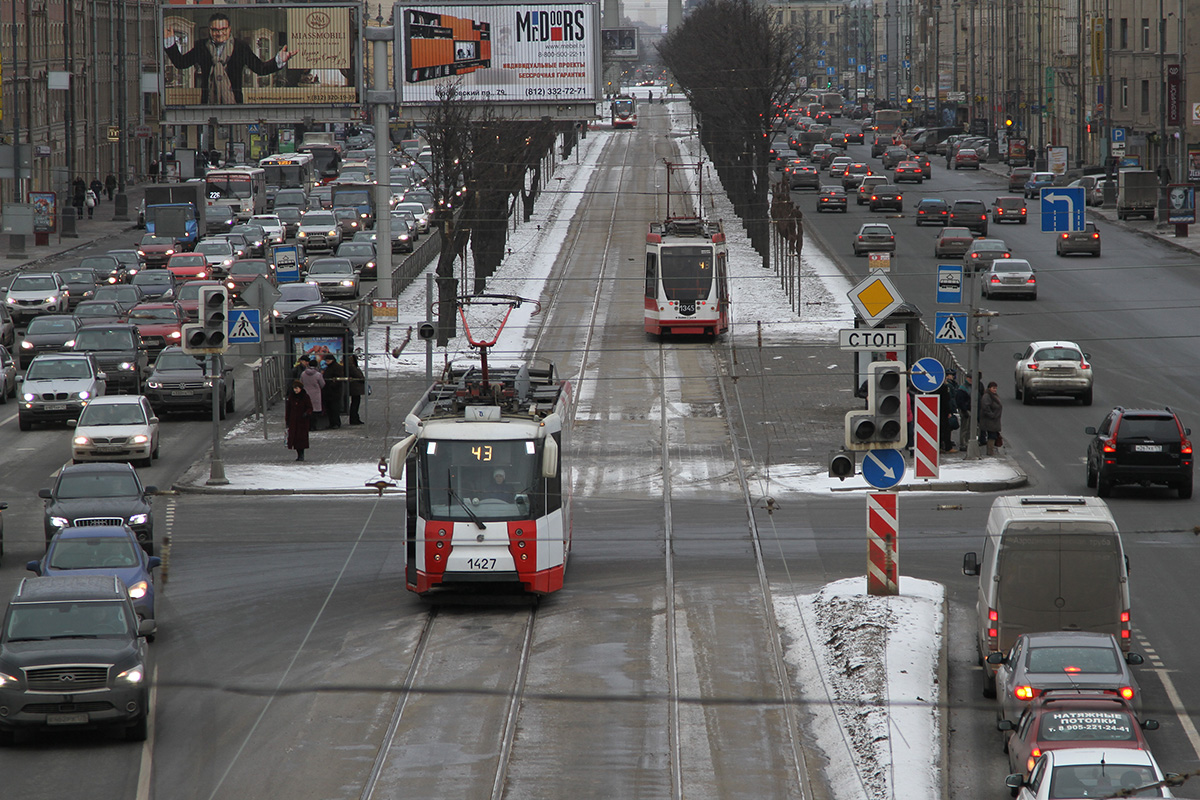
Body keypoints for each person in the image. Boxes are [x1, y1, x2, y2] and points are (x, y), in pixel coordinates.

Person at [164, 13, 298, 105]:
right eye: (215, 30)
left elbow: (260, 69)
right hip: (208, 104)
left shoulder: (240, 47)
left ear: (229, 29)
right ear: (210, 30)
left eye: (223, 29)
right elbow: (181, 63)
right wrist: (170, 43)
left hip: (234, 103)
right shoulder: (201, 46)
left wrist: (279, 60)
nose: (220, 33)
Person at [284, 380, 313, 461]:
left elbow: (310, 407)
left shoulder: (305, 396)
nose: (295, 390)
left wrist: (307, 413)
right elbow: (288, 409)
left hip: (302, 421)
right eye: (294, 388)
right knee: (295, 439)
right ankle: (298, 454)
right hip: (293, 421)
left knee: (301, 439)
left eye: (297, 388)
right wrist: (287, 420)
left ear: (300, 388)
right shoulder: (291, 397)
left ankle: (301, 454)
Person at [980, 381, 1003, 455]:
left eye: (996, 388)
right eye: (993, 388)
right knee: (992, 435)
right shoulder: (987, 396)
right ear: (989, 388)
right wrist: (992, 415)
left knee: (993, 435)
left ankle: (991, 450)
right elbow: (985, 407)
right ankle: (990, 451)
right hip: (990, 420)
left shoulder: (994, 395)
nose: (995, 390)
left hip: (994, 420)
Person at [321, 354, 344, 429]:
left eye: (328, 360)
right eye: (326, 360)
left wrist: (331, 385)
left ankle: (336, 423)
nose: (327, 362)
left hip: (334, 392)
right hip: (329, 392)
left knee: (334, 408)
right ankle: (332, 423)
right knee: (330, 409)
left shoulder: (336, 367)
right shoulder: (329, 367)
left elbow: (338, 379)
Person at [346, 353, 365, 425]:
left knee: (355, 402)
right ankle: (354, 419)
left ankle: (355, 418)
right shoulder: (352, 367)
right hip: (355, 387)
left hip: (355, 387)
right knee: (355, 403)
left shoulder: (350, 366)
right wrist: (362, 378)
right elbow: (358, 375)